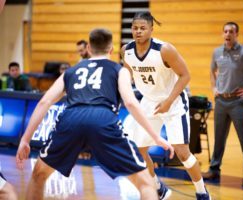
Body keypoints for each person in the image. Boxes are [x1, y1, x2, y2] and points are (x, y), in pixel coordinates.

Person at [16, 28, 174, 200]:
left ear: (89, 48)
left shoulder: (71, 71)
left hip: (71, 119)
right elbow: (130, 103)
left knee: (39, 175)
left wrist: (25, 139)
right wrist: (155, 137)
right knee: (146, 184)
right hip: (103, 119)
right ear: (111, 49)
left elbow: (44, 102)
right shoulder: (119, 70)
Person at [121, 12, 211, 200]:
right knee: (139, 150)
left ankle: (202, 192)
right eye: (135, 28)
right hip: (149, 102)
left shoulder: (164, 49)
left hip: (174, 101)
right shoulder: (126, 51)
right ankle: (158, 188)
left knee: (182, 152)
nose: (138, 31)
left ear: (151, 29)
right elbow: (128, 75)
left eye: (142, 28)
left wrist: (169, 101)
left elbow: (185, 75)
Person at [202, 21, 243, 186]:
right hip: (221, 101)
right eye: (225, 31)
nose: (228, 34)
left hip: (239, 102)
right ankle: (214, 169)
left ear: (237, 34)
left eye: (231, 31)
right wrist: (213, 88)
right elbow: (212, 71)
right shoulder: (217, 52)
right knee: (219, 138)